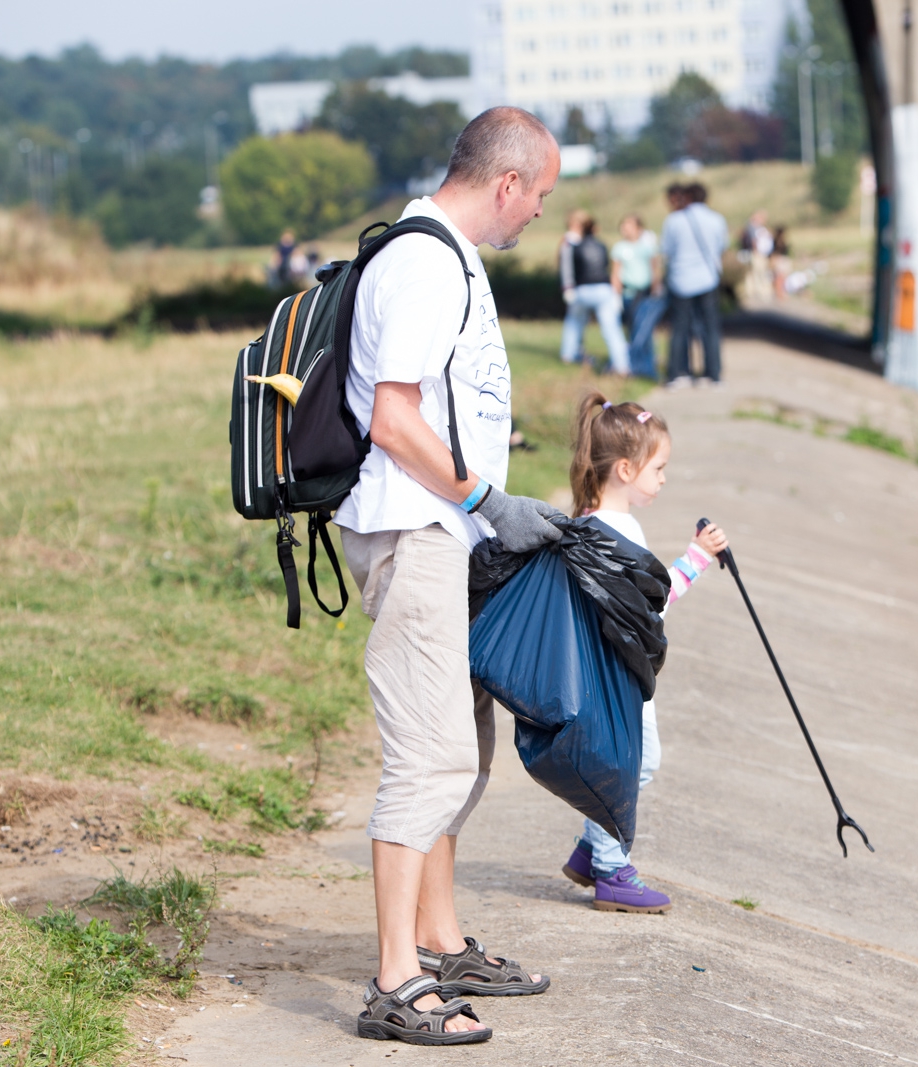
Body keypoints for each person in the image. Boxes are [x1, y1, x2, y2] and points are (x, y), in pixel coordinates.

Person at [335, 106, 563, 1047]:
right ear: (506, 183)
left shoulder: (440, 253)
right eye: (540, 196)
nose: (540, 215)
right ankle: (396, 979)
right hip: (420, 532)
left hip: (446, 533)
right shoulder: (426, 262)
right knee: (429, 757)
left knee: (461, 742)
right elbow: (393, 418)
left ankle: (439, 935)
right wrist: (485, 501)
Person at [559, 392, 728, 913]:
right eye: (658, 468)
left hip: (597, 673)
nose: (663, 479)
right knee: (634, 764)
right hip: (622, 678)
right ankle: (611, 869)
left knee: (623, 762)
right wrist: (697, 558)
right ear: (626, 469)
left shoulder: (587, 521)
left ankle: (591, 853)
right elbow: (651, 608)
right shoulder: (620, 532)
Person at [660, 182, 729, 388]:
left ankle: (679, 372)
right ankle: (713, 374)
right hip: (708, 279)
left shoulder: (674, 220)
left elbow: (667, 251)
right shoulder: (717, 219)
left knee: (680, 329)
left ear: (687, 197)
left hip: (681, 280)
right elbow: (722, 247)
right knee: (710, 328)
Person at [559, 210, 629, 374]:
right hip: (604, 290)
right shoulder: (602, 245)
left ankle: (568, 355)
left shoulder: (571, 243)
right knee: (612, 329)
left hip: (581, 290)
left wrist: (567, 288)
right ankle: (622, 365)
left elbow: (566, 268)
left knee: (573, 322)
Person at [611, 213, 663, 379]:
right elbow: (616, 273)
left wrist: (656, 289)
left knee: (645, 331)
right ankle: (633, 365)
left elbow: (655, 269)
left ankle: (648, 367)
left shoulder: (647, 247)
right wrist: (616, 295)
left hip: (645, 294)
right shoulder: (619, 248)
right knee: (632, 330)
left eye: (630, 225)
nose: (626, 229)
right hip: (628, 294)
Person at [738, 209, 774, 305]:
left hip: (761, 254)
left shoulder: (759, 228)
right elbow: (754, 241)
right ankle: (760, 293)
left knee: (758, 273)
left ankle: (757, 292)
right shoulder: (754, 228)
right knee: (758, 273)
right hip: (757, 254)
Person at [769, 225, 792, 301]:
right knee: (779, 277)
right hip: (779, 260)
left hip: (782, 259)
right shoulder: (776, 241)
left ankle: (781, 292)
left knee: (782, 277)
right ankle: (779, 293)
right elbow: (775, 252)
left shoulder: (779, 240)